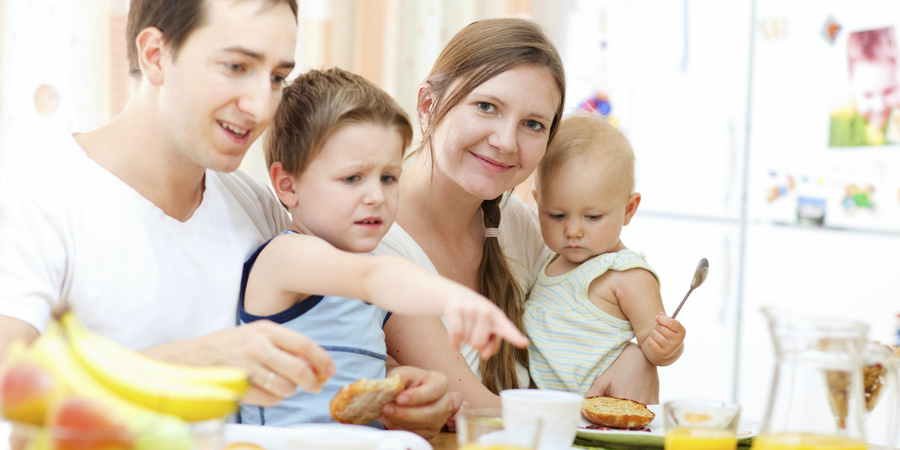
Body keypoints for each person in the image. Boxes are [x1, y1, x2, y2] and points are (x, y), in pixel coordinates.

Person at [0, 0, 453, 437]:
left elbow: (325, 343)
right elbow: (9, 390)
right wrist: (197, 359)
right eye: (236, 66)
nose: (261, 107)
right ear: (156, 56)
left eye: (277, 77)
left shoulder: (257, 208)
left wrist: (400, 395)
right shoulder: (35, 194)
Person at [371, 18, 660, 415]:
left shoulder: (520, 225)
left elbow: (600, 295)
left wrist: (636, 353)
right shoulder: (373, 234)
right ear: (428, 105)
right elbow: (474, 409)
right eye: (486, 107)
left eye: (532, 124)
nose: (506, 142)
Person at [238, 67, 527, 427]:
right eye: (352, 178)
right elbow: (372, 276)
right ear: (287, 185)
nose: (376, 196)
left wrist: (415, 398)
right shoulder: (285, 258)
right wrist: (454, 299)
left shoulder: (372, 278)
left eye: (388, 177)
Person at [524, 113, 686, 396]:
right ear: (537, 204)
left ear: (628, 209)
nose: (573, 230)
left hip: (607, 416)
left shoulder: (627, 274)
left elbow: (653, 348)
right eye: (557, 215)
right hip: (552, 418)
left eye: (593, 216)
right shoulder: (548, 261)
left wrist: (669, 345)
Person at [830, 26, 900, 146]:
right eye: (867, 95)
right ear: (850, 86)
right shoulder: (842, 121)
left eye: (889, 91)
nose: (880, 106)